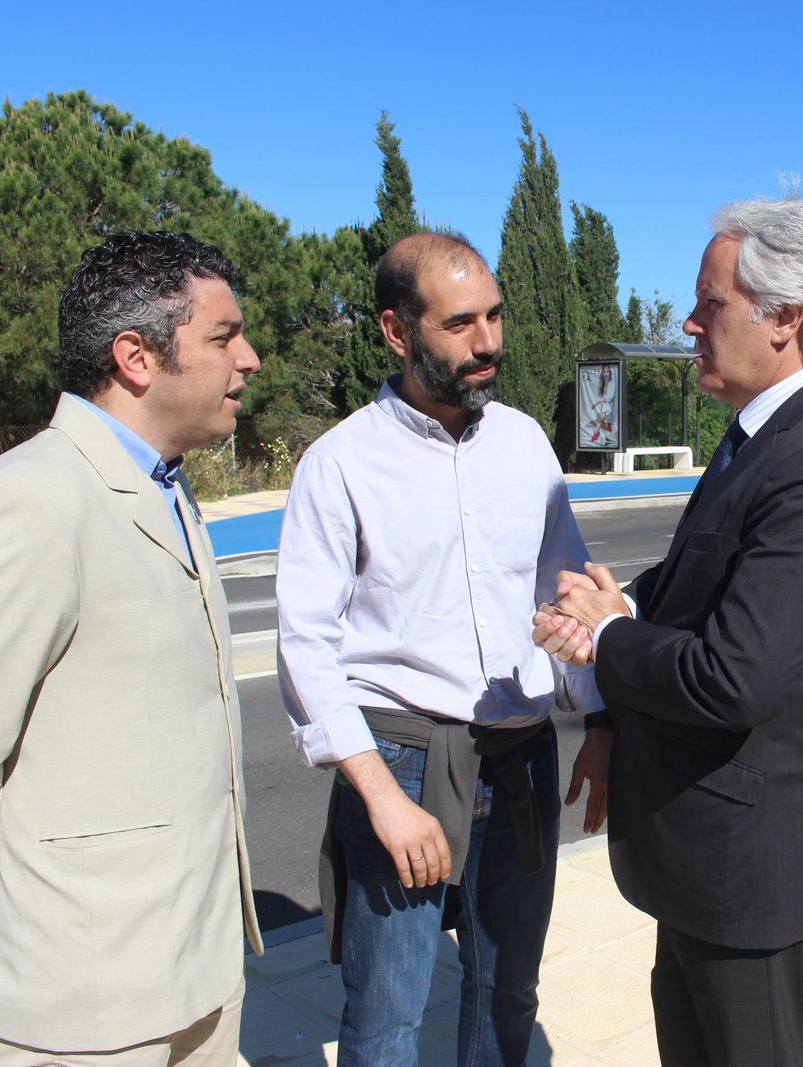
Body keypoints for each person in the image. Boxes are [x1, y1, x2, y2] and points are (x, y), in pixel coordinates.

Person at [0, 231, 264, 1066]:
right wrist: (8, 865)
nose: (251, 357)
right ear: (135, 355)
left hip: (196, 974)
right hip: (83, 1001)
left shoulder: (166, 485)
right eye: (223, 336)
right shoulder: (32, 499)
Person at [536, 195, 803, 1067]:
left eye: (712, 303)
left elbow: (734, 675)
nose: (689, 322)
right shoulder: (759, 437)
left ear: (787, 319)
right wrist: (618, 606)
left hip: (756, 872)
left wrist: (612, 637)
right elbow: (697, 581)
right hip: (712, 863)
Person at [275, 232, 610, 1066]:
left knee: (507, 995)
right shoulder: (341, 463)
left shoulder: (528, 444)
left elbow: (565, 595)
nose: (488, 341)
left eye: (495, 315)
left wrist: (599, 718)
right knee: (386, 1012)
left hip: (520, 753)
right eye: (460, 323)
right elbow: (306, 644)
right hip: (402, 756)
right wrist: (380, 793)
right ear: (397, 330)